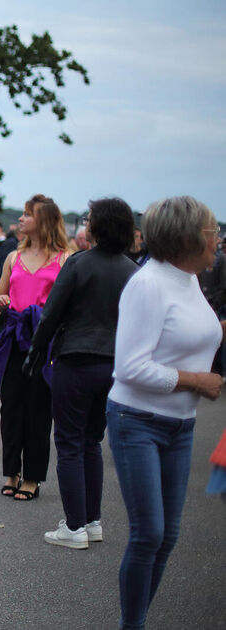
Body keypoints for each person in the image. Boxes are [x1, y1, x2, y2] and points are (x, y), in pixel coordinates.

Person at [106, 196, 223, 630]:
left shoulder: (187, 278)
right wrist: (197, 380)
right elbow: (130, 367)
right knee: (149, 534)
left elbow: (188, 331)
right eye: (213, 232)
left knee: (167, 536)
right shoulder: (148, 283)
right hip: (136, 420)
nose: (218, 240)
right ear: (188, 237)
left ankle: (134, 621)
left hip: (180, 425)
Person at [24, 198, 139, 548]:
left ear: (97, 226)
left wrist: (35, 352)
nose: (84, 224)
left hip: (75, 359)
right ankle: (91, 520)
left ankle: (73, 527)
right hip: (114, 364)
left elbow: (52, 314)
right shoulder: (133, 271)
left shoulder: (78, 263)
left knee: (69, 443)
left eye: (88, 219)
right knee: (91, 442)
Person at [0, 194, 71, 500]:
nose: (21, 219)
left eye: (28, 214)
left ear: (45, 220)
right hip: (13, 338)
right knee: (10, 406)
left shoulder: (65, 258)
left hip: (45, 342)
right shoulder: (13, 257)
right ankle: (11, 471)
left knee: (39, 409)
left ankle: (33, 476)